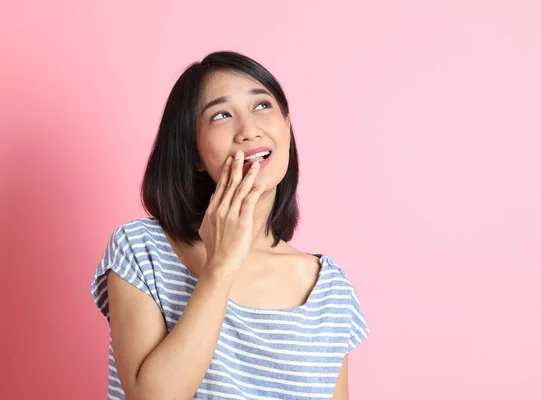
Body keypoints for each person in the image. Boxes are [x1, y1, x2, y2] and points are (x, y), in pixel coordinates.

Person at [91, 51, 369, 400]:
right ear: (192, 153)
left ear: (287, 125)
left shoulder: (329, 289)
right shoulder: (141, 249)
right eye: (221, 115)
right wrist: (220, 268)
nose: (249, 130)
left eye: (262, 106)